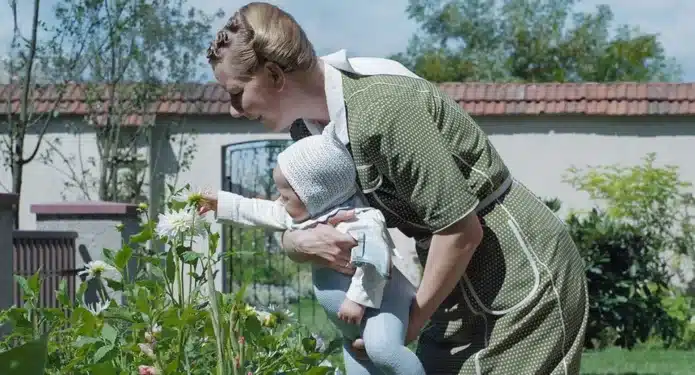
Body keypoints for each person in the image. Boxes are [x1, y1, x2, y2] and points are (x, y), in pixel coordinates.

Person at [203, 2, 589, 374]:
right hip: (450, 280)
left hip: (516, 269)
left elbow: (460, 230)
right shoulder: (307, 131)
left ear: (274, 75)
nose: (235, 109)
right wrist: (296, 244)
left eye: (237, 93)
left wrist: (408, 324)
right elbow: (300, 214)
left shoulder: (384, 109)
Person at [210, 131, 426, 374]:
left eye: (285, 196)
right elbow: (261, 211)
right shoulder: (308, 216)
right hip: (352, 322)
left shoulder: (361, 220)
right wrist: (219, 203)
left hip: (382, 305)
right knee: (359, 366)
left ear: (314, 194)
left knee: (383, 349)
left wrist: (356, 300)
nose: (280, 202)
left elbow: (376, 260)